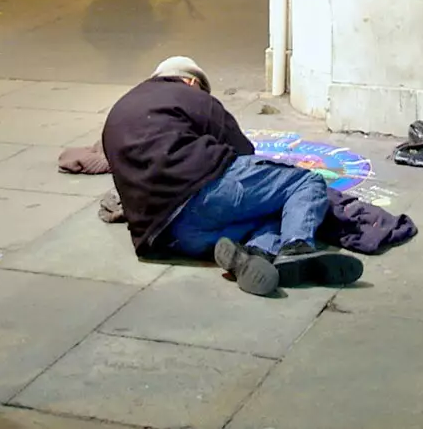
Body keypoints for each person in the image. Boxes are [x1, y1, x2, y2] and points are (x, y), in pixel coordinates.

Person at [102, 56, 364, 297]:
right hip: (203, 192)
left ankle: (257, 254)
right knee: (304, 183)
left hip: (167, 236)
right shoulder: (192, 96)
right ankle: (296, 247)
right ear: (192, 82)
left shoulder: (121, 107)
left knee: (270, 208)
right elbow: (243, 152)